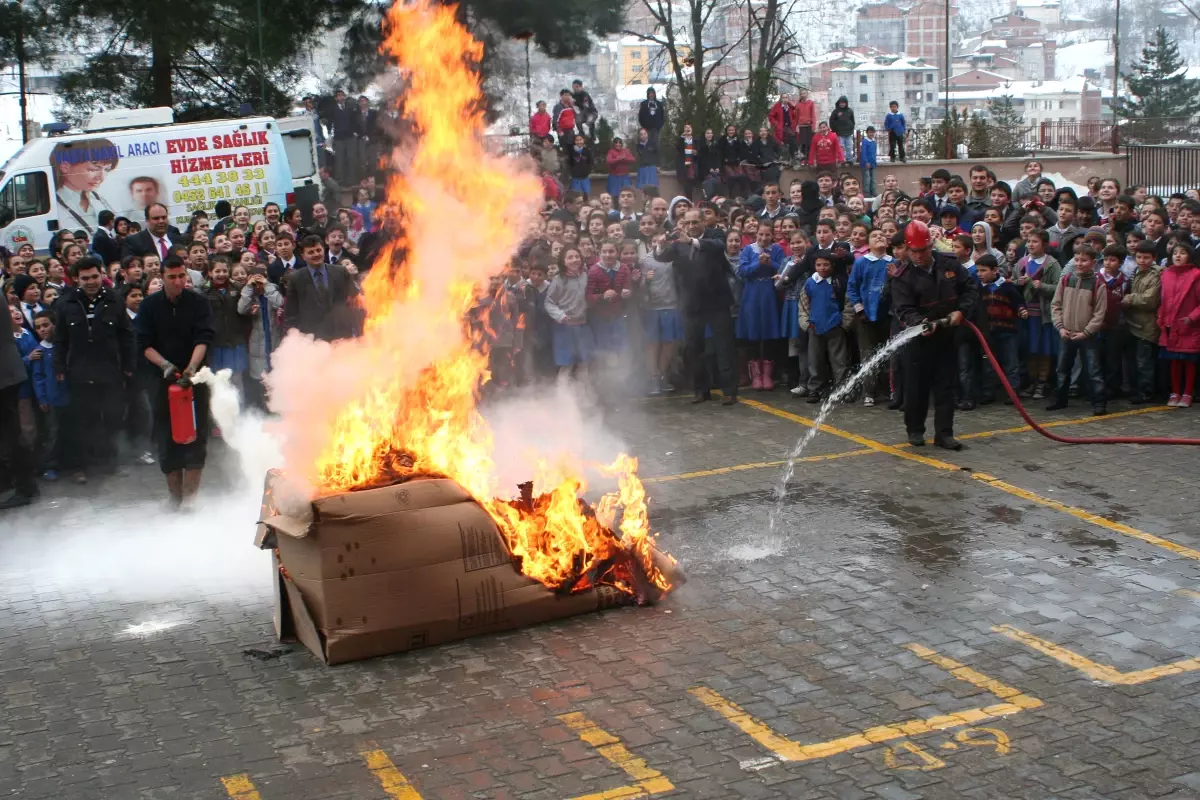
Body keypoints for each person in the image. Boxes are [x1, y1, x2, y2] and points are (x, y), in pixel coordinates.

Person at [135, 257, 216, 508]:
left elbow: (203, 338)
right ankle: (174, 498)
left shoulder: (199, 303)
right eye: (172, 277)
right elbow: (143, 344)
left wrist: (191, 369)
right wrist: (165, 366)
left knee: (196, 436)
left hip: (196, 378)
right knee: (167, 437)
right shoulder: (149, 306)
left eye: (182, 276)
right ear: (162, 278)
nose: (178, 281)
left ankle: (191, 500)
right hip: (161, 380)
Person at [890, 221, 978, 450]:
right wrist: (921, 324)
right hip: (917, 340)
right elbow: (903, 309)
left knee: (945, 387)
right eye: (914, 252)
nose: (918, 256)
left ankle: (944, 434)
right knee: (915, 388)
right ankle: (915, 430)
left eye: (923, 250)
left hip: (947, 336)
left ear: (931, 246)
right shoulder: (903, 276)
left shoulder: (950, 265)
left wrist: (961, 311)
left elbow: (969, 289)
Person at [52, 256, 135, 483]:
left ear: (102, 275)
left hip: (109, 370)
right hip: (79, 372)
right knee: (82, 420)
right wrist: (58, 366)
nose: (91, 282)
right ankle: (81, 466)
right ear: (77, 279)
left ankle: (111, 462)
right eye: (85, 278)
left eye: (95, 276)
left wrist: (129, 365)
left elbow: (126, 336)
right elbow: (59, 339)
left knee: (112, 417)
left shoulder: (115, 300)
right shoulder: (66, 303)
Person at [658, 209, 738, 404]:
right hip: (691, 304)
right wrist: (660, 245)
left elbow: (718, 247)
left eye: (696, 222)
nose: (692, 226)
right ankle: (701, 390)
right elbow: (662, 257)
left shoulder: (714, 237)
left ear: (703, 222)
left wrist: (691, 242)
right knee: (694, 349)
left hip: (717, 303)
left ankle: (729, 391)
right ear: (684, 223)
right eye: (689, 223)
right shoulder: (678, 245)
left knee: (724, 347)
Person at [1046, 245, 1108, 415]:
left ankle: (1099, 402)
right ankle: (1060, 399)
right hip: (1066, 332)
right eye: (1077, 259)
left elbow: (1099, 313)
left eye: (1084, 260)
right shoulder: (1066, 280)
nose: (1079, 263)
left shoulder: (1098, 284)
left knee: (1093, 369)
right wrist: (1060, 327)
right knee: (1062, 368)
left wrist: (1087, 332)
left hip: (1087, 335)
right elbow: (1056, 305)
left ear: (1093, 262)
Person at [283, 235, 361, 341]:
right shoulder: (296, 279)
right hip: (312, 341)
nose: (316, 254)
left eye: (318, 250)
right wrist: (294, 340)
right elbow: (291, 315)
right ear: (303, 256)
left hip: (342, 338)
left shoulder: (340, 272)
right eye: (311, 252)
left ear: (323, 250)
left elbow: (356, 300)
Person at [798, 249, 852, 402]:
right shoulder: (810, 282)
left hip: (835, 326)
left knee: (839, 360)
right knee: (814, 360)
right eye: (818, 265)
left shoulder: (839, 282)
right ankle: (814, 388)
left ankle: (842, 389)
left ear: (832, 265)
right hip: (815, 327)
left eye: (826, 265)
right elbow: (803, 304)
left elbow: (848, 303)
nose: (822, 268)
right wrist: (806, 323)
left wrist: (845, 323)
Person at [737, 219, 785, 390]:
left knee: (769, 333)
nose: (764, 238)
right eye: (761, 234)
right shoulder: (748, 250)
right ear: (755, 234)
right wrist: (758, 263)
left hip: (769, 293)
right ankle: (756, 374)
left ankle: (767, 374)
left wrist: (770, 262)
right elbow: (742, 271)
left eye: (767, 234)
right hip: (751, 293)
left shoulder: (777, 249)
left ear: (772, 235)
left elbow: (783, 268)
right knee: (753, 333)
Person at [846, 229, 892, 406]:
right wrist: (859, 309)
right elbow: (852, 288)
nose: (879, 237)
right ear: (868, 243)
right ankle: (869, 392)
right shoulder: (861, 263)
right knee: (868, 354)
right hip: (865, 316)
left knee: (888, 353)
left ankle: (888, 389)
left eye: (882, 235)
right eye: (874, 236)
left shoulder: (893, 262)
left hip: (887, 316)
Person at [976, 254, 1027, 404]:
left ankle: (1012, 392)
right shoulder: (978, 289)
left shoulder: (1006, 286)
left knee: (1011, 363)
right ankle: (988, 392)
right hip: (987, 333)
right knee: (988, 363)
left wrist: (1022, 310)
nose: (979, 274)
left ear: (995, 270)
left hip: (1007, 331)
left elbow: (1018, 302)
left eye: (983, 270)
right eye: (978, 271)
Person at [1157, 242, 1200, 407]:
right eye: (1175, 252)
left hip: (1189, 325)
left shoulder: (1196, 275)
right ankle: (1175, 392)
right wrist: (1160, 316)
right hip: (1169, 325)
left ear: (1189, 256)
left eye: (1182, 253)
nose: (1178, 256)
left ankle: (1188, 393)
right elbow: (1163, 299)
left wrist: (1192, 317)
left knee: (1189, 361)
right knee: (1174, 361)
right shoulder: (1166, 274)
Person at [0, 325, 38, 508]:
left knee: (10, 436)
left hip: (3, 377)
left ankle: (24, 487)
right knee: (12, 434)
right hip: (8, 374)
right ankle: (25, 485)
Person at [29, 309, 68, 481]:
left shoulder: (63, 346)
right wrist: (42, 397)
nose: (43, 330)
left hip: (68, 395)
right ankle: (50, 465)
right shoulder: (40, 351)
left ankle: (71, 461)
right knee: (53, 432)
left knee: (70, 428)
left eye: (46, 325)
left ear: (54, 325)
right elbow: (38, 377)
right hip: (52, 399)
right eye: (38, 327)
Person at [640, 232, 681, 395]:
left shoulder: (674, 258)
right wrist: (646, 281)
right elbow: (640, 286)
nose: (659, 243)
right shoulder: (646, 260)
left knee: (669, 342)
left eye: (662, 240)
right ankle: (652, 376)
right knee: (653, 342)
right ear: (651, 243)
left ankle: (663, 374)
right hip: (652, 307)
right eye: (655, 241)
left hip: (672, 305)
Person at [544, 245, 593, 381]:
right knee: (567, 364)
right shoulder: (558, 280)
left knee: (585, 362)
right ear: (563, 261)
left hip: (583, 325)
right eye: (570, 257)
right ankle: (563, 397)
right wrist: (561, 316)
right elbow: (549, 302)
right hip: (564, 328)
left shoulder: (585, 277)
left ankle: (582, 394)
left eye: (577, 257)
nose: (574, 260)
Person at [1122, 241, 1163, 403]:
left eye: (1146, 257)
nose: (1142, 261)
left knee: (1144, 362)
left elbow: (1150, 300)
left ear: (1154, 258)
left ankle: (1146, 392)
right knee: (1134, 361)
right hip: (1133, 323)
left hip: (1147, 326)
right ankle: (1136, 388)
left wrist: (1130, 299)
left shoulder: (1156, 274)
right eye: (1139, 257)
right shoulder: (1136, 271)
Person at [768, 94, 797, 160]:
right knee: (781, 144)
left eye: (786, 97)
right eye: (783, 98)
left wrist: (794, 123)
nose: (785, 99)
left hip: (789, 128)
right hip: (781, 128)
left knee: (792, 142)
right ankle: (782, 161)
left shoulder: (790, 106)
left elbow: (794, 116)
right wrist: (776, 124)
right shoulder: (777, 106)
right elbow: (771, 116)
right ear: (781, 99)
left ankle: (794, 159)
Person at [828, 96, 855, 166]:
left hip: (848, 132)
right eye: (841, 103)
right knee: (841, 147)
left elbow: (853, 120)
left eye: (843, 103)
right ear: (838, 103)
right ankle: (842, 159)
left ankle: (849, 160)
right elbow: (831, 121)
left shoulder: (850, 111)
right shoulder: (836, 111)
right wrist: (834, 129)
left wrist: (851, 127)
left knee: (849, 146)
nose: (842, 104)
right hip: (840, 132)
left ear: (846, 103)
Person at [635, 128, 659, 193]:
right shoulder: (638, 146)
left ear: (647, 134)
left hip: (651, 168)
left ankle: (652, 202)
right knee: (642, 189)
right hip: (642, 169)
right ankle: (645, 203)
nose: (643, 136)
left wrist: (658, 165)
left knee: (652, 188)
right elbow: (639, 156)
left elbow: (658, 155)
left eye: (644, 134)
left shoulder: (653, 144)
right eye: (641, 134)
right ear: (639, 136)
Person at [858, 126, 878, 197]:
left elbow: (874, 153)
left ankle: (873, 191)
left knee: (873, 179)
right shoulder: (865, 141)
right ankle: (866, 193)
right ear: (867, 133)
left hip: (873, 163)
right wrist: (866, 162)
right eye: (870, 132)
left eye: (872, 132)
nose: (871, 134)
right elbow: (863, 153)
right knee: (867, 179)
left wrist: (875, 161)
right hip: (866, 163)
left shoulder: (874, 141)